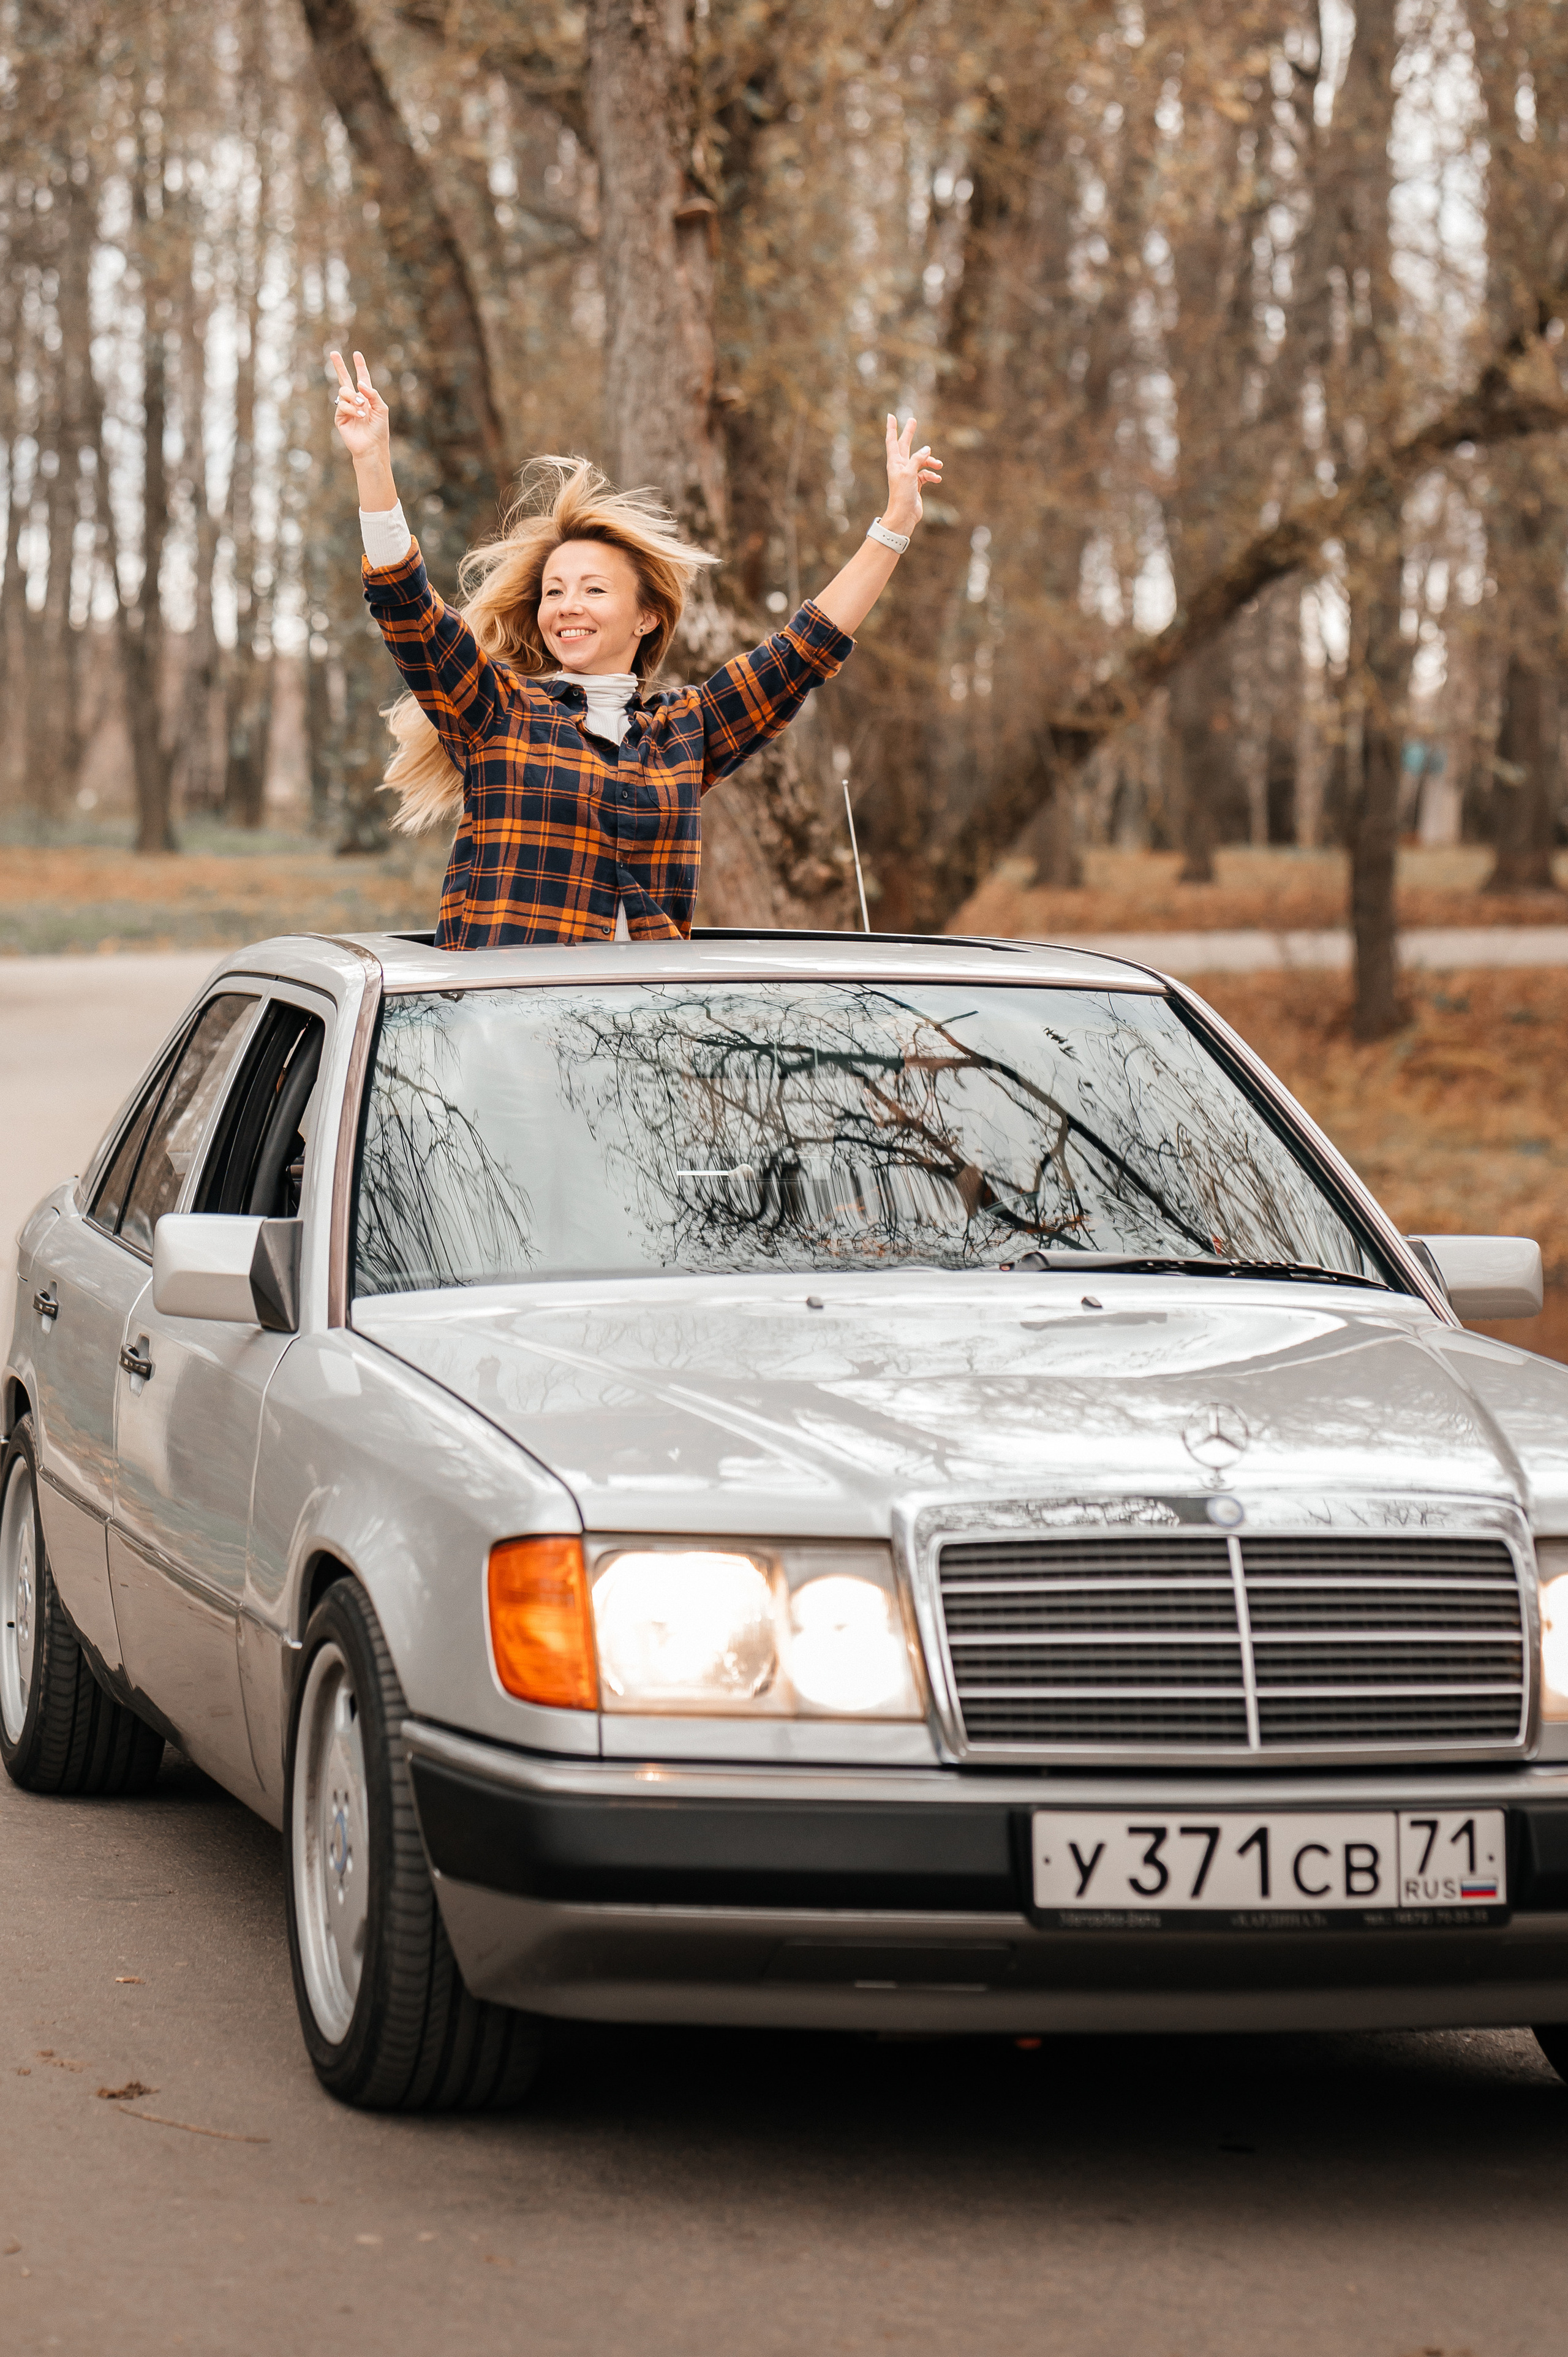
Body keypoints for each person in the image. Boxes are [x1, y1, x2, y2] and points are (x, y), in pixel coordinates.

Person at [330, 349, 941, 947]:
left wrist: (894, 525)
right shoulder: (498, 713)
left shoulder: (685, 733)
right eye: (554, 591)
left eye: (594, 589)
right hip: (505, 1039)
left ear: (645, 617)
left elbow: (802, 653)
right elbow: (408, 611)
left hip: (644, 1040)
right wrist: (372, 461)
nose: (568, 604)